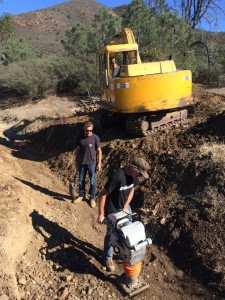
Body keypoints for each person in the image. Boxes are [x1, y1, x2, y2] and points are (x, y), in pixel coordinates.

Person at [97, 157, 150, 272]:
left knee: (128, 232)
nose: (140, 176)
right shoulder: (118, 177)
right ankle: (108, 257)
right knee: (111, 234)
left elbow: (132, 190)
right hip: (112, 209)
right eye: (140, 173)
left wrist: (126, 205)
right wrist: (101, 214)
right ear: (135, 168)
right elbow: (102, 194)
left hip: (125, 208)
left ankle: (125, 252)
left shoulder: (134, 176)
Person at [73, 121, 102, 208]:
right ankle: (81, 195)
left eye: (91, 130)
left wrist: (99, 163)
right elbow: (78, 150)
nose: (89, 132)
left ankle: (92, 198)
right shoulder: (80, 138)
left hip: (92, 163)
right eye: (87, 130)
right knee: (81, 180)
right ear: (84, 129)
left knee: (93, 181)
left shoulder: (95, 138)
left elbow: (99, 151)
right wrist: (76, 160)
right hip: (81, 163)